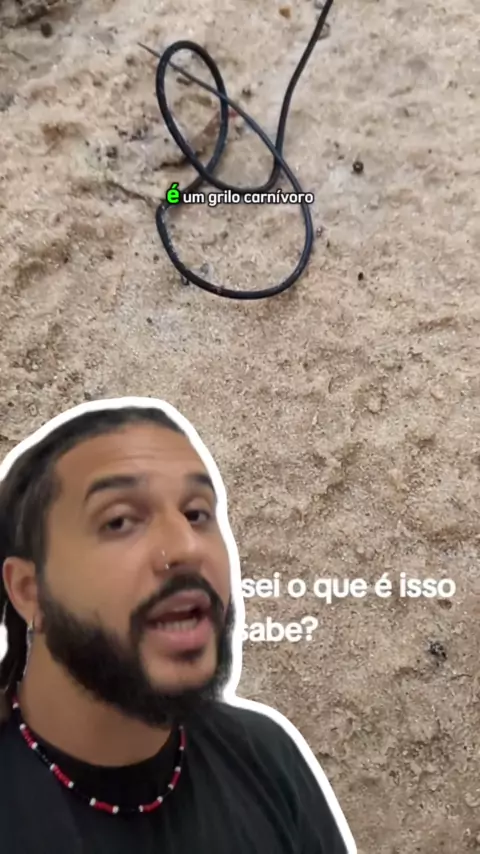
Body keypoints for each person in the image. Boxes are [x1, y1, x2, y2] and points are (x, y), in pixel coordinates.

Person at [0, 399, 356, 854]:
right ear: (30, 591)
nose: (187, 547)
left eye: (196, 514)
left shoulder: (265, 756)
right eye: (119, 521)